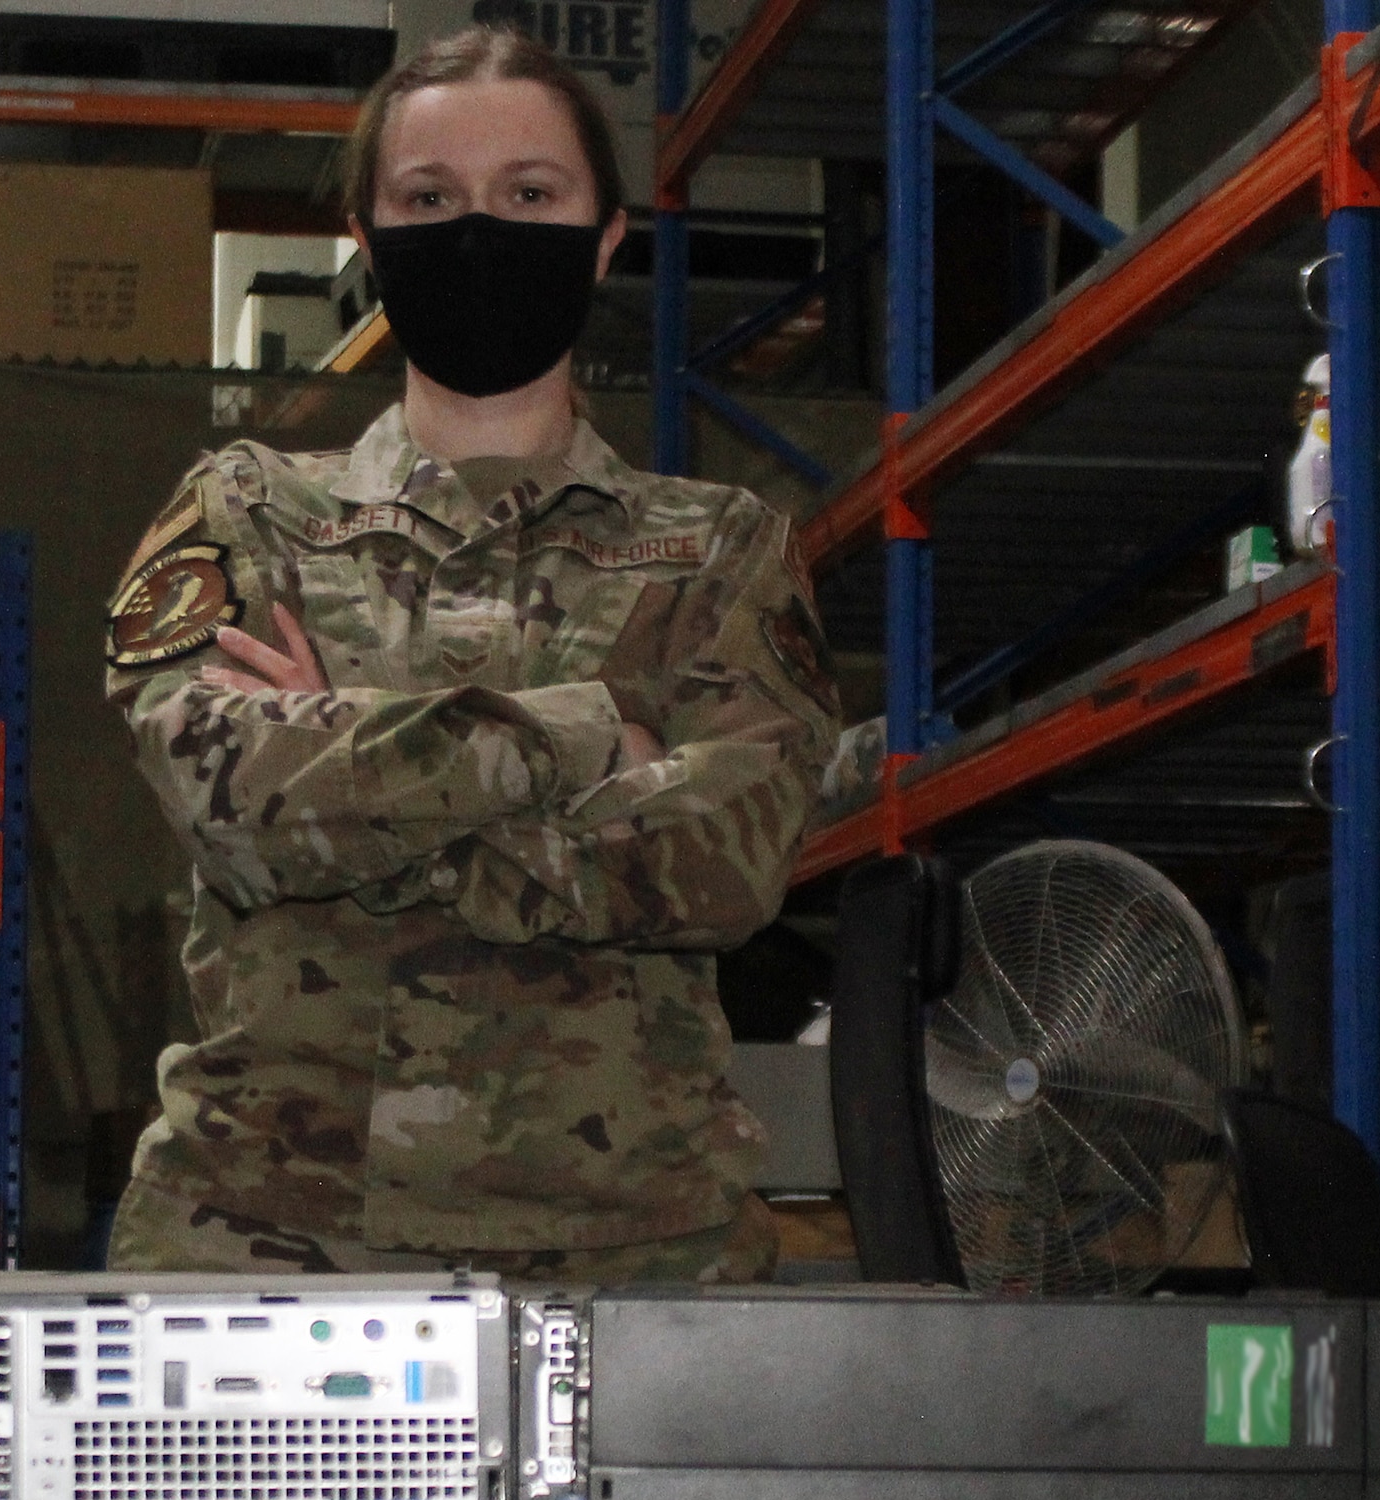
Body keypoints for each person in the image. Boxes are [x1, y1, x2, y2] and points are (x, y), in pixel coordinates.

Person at [103, 25, 840, 1282]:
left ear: (606, 236)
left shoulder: (717, 548)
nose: (479, 229)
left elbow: (727, 865)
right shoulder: (245, 507)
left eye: (529, 194)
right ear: (367, 236)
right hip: (263, 1234)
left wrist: (359, 782)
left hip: (635, 1248)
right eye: (429, 198)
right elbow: (225, 800)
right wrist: (590, 734)